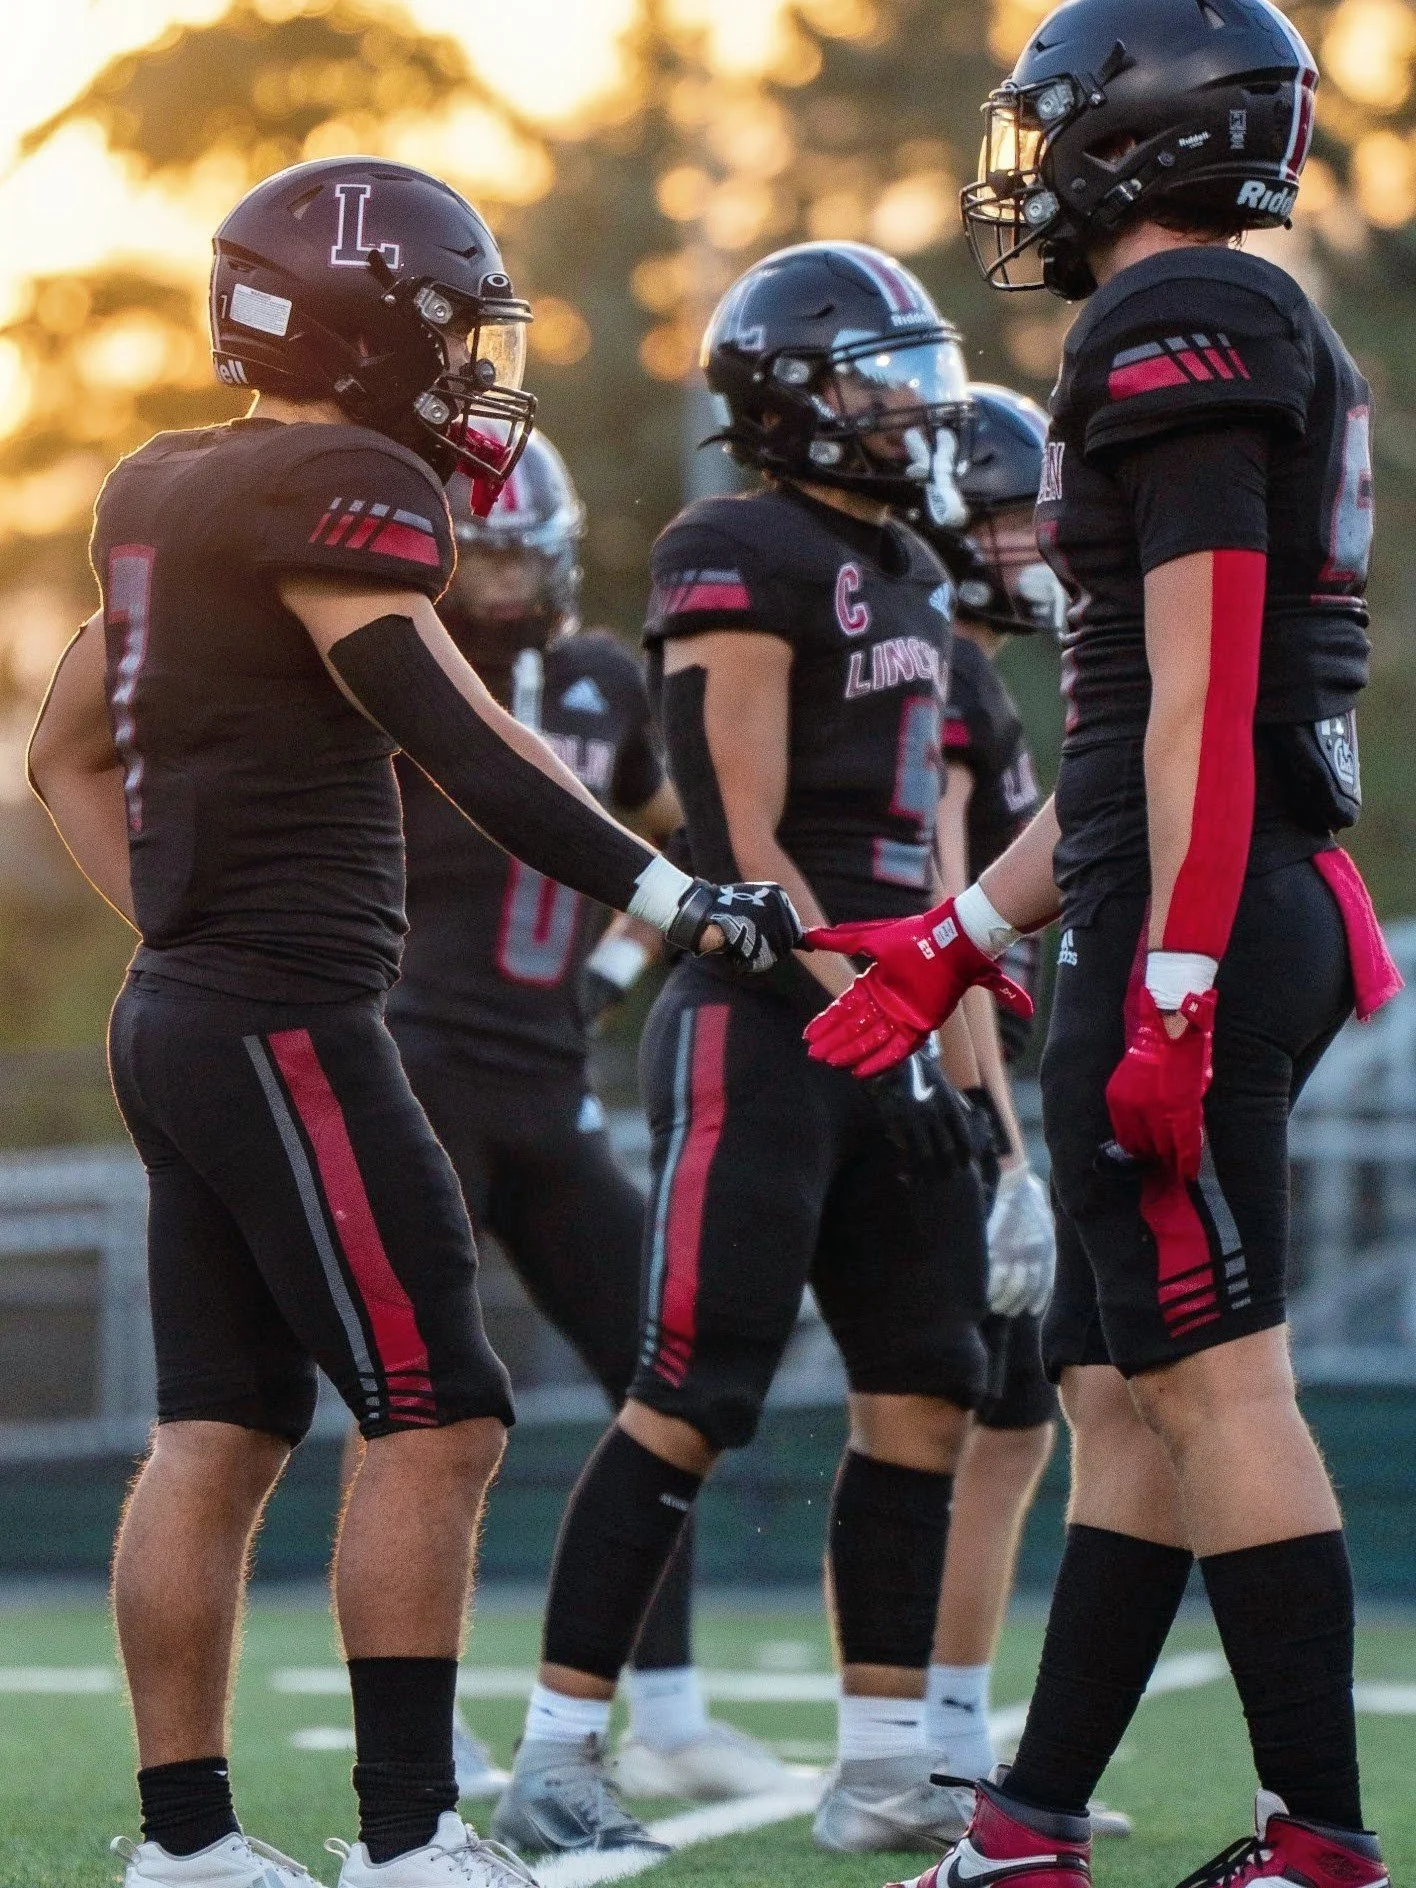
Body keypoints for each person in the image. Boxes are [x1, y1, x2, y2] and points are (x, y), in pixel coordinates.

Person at [27, 155, 799, 1888]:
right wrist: (679, 899)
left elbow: (62, 745)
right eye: (449, 328)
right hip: (284, 1014)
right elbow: (466, 742)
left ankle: (189, 1849)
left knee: (220, 1431)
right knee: (440, 1413)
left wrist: (175, 928)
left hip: (191, 1010)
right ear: (365, 329)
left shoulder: (169, 483)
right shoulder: (344, 482)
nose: (467, 365)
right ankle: (405, 1839)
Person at [805, 7, 1402, 1888]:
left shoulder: (1174, 314)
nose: (1030, 162)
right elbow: (1142, 737)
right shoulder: (1237, 318)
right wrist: (963, 931)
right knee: (1119, 1391)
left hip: (1196, 916)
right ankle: (1029, 1828)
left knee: (1218, 1382)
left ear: (1135, 133)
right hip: (1209, 890)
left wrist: (1171, 985)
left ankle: (1317, 1846)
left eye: (1053, 124)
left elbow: (1201, 713)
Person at [491, 239, 995, 1863]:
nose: (908, 406)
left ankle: (885, 1767)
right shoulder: (735, 547)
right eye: (876, 378)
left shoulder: (914, 569)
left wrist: (949, 1056)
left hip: (894, 1021)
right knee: (696, 1393)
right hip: (769, 1026)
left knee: (928, 1392)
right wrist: (883, 1024)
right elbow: (736, 839)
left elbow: (930, 853)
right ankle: (558, 1749)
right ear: (790, 399)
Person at [378, 429, 791, 1805]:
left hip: (546, 1082)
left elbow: (677, 836)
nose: (504, 582)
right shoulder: (391, 667)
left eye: (523, 556)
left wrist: (615, 970)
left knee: (664, 1373)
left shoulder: (601, 680)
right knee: (422, 1403)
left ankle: (665, 1712)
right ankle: (421, 1724)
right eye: (483, 555)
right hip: (417, 1070)